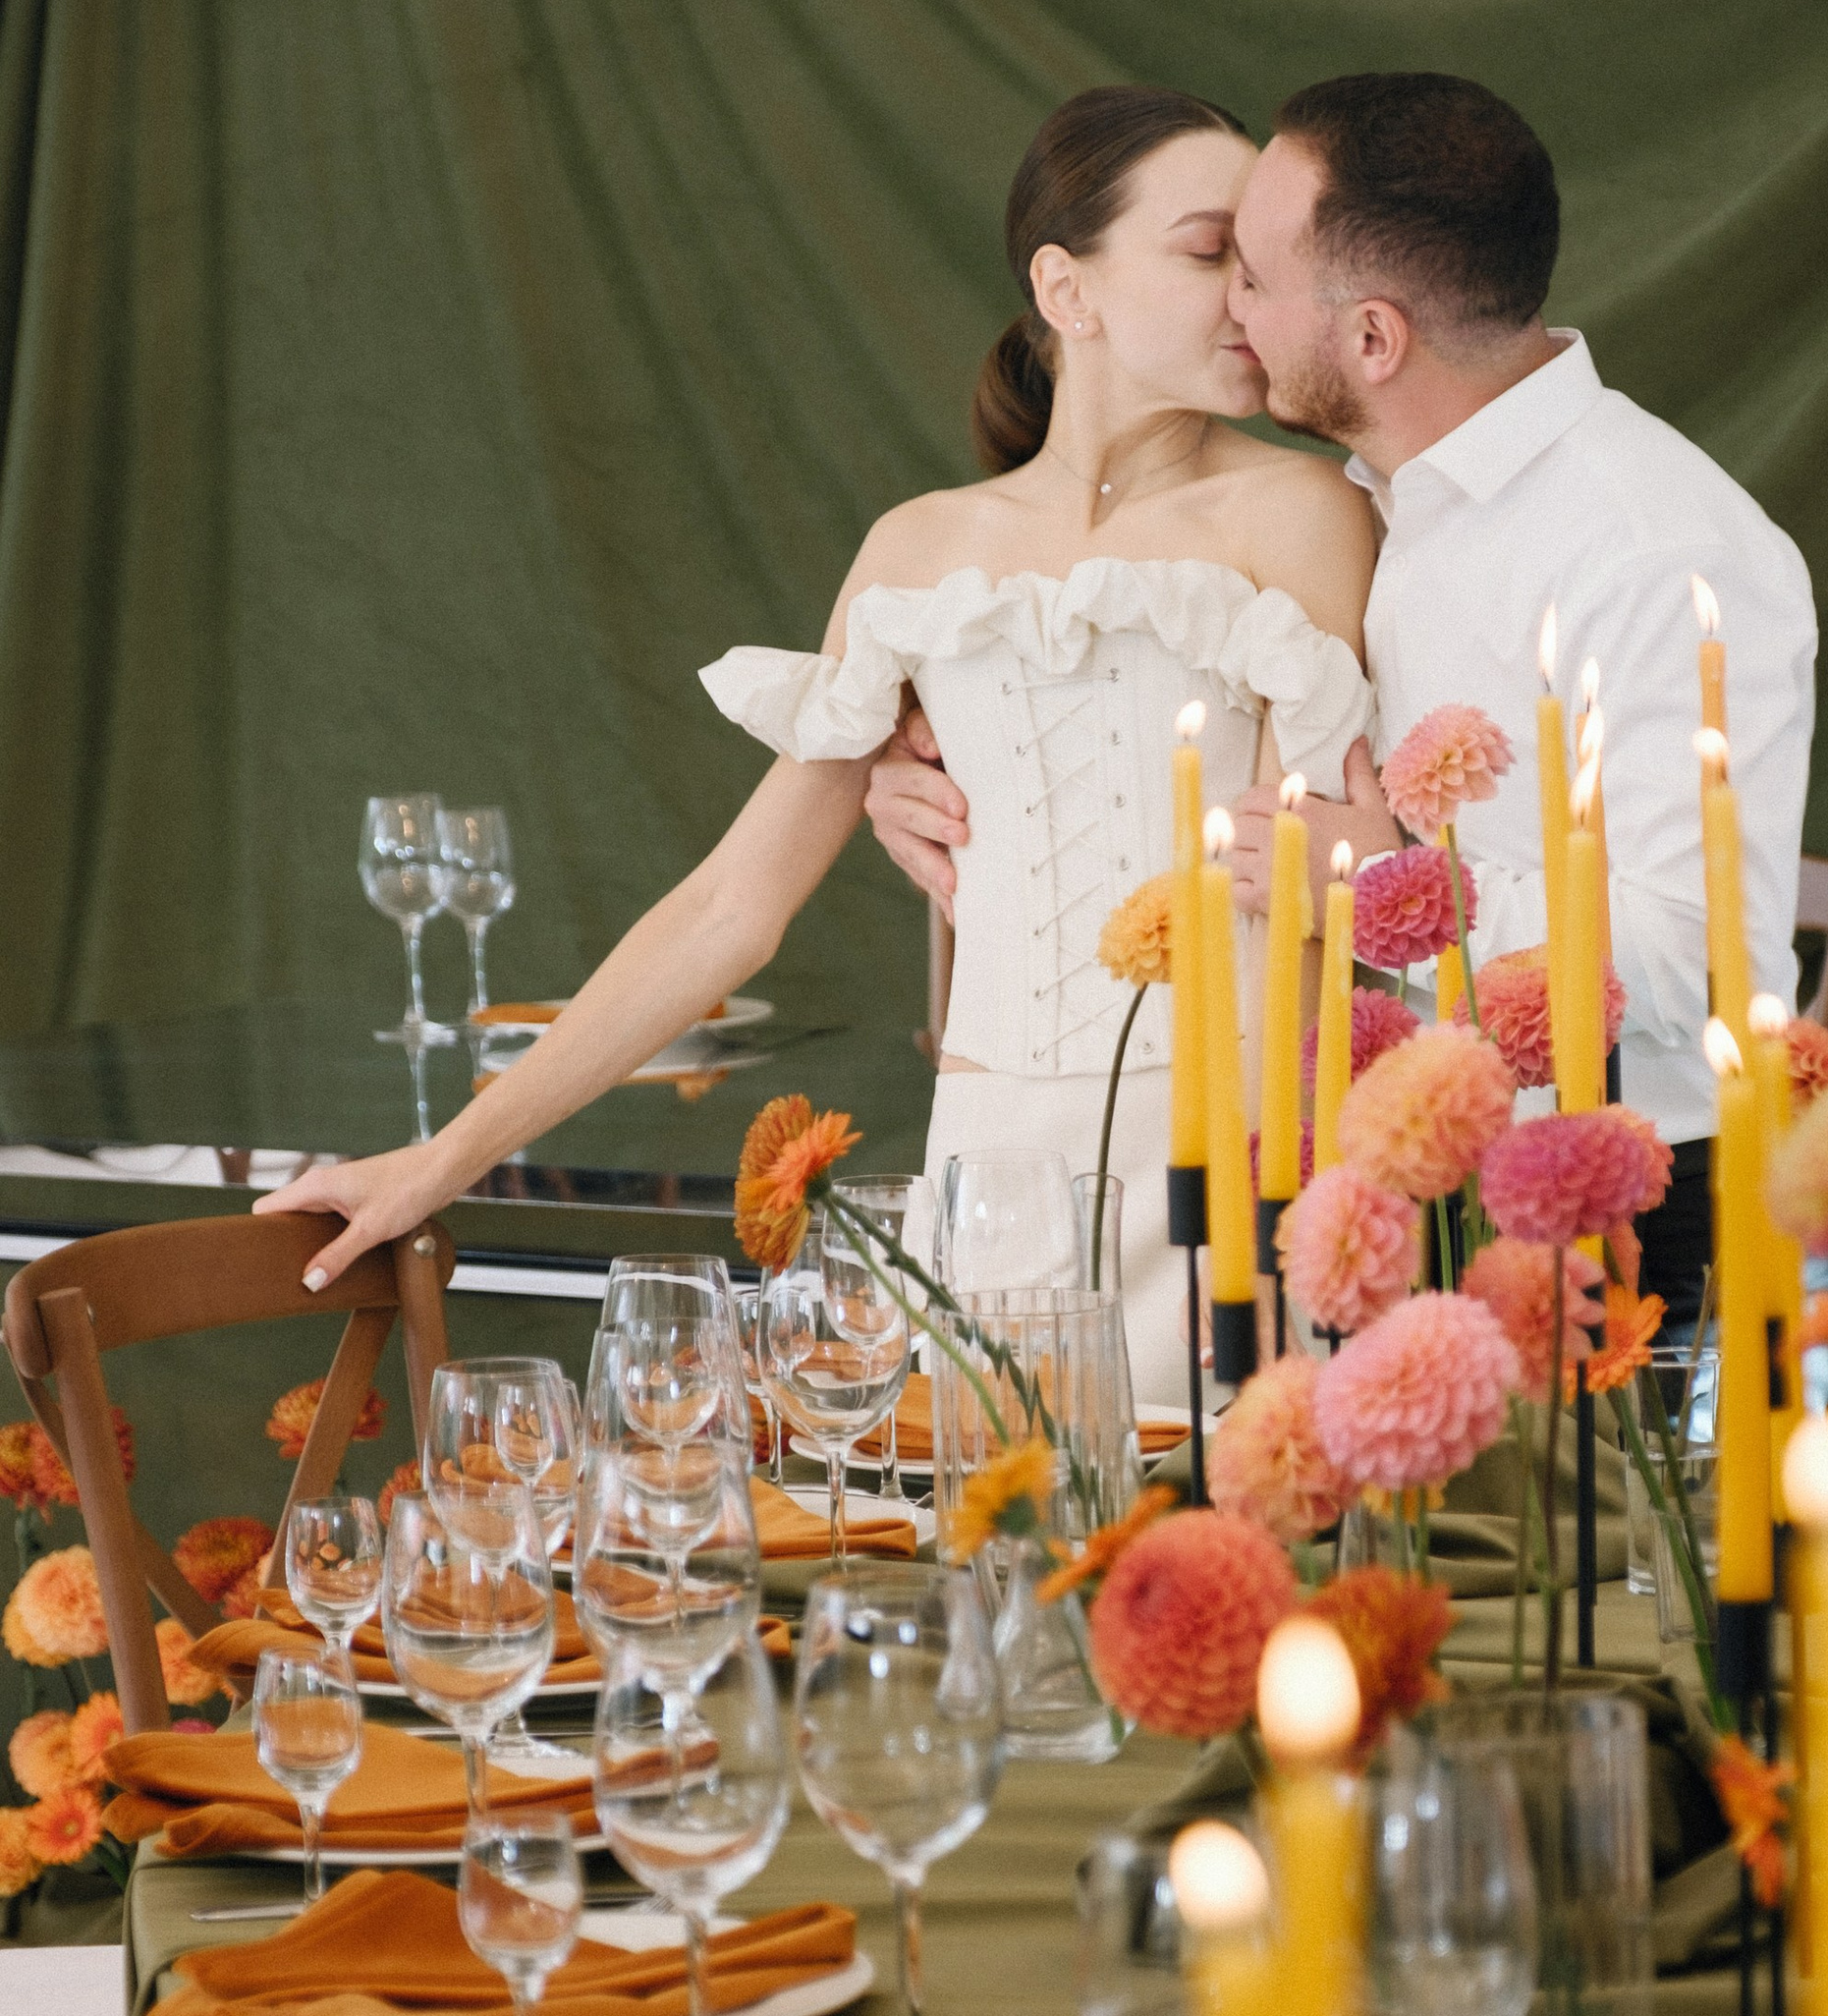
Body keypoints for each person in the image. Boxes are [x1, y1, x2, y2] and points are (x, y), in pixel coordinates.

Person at [261, 86, 1374, 1396]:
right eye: (1207, 252)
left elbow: (1349, 887)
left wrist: (1320, 1226)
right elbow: (730, 907)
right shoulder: (918, 556)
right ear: (1066, 290)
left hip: (1236, 1182)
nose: (1251, 294)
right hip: (990, 1189)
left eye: (1261, 259)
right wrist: (439, 1160)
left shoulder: (1305, 516)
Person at [868, 74, 1814, 1338]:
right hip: (1380, 1179)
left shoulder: (1659, 553)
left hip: (1608, 1218)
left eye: (1249, 272)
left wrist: (1388, 886)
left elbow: (1699, 967)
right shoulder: (1371, 500)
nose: (1230, 307)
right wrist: (924, 775)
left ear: (1373, 338)